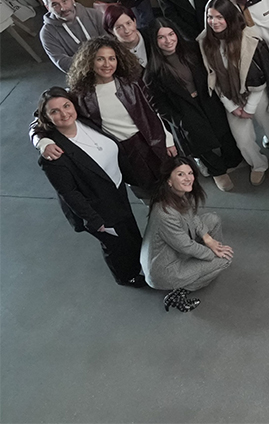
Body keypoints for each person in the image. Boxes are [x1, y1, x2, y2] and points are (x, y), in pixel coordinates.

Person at [38, 37, 177, 200]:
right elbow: (42, 115)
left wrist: (168, 139)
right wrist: (41, 140)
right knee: (147, 194)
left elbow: (153, 111)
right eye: (100, 59)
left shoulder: (132, 83)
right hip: (124, 151)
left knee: (173, 183)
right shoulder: (80, 94)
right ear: (90, 61)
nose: (107, 64)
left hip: (151, 141)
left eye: (112, 58)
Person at [35, 87, 146, 288]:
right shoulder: (54, 155)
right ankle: (126, 275)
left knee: (128, 228)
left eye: (66, 106)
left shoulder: (84, 121)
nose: (64, 114)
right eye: (54, 111)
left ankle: (139, 256)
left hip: (115, 188)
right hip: (96, 206)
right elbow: (69, 193)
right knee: (115, 244)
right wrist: (95, 221)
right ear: (47, 118)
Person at [199, 0, 269, 185]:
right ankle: (257, 164)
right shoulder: (204, 42)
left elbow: (262, 77)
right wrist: (231, 106)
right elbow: (213, 79)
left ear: (230, 17)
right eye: (210, 17)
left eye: (219, 17)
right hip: (229, 96)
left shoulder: (250, 38)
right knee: (242, 139)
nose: (214, 22)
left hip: (257, 91)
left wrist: (249, 108)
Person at [145, 18, 242, 192]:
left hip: (207, 99)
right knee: (200, 143)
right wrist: (178, 119)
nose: (168, 40)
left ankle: (233, 160)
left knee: (223, 132)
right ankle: (217, 172)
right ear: (154, 40)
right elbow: (157, 103)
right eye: (161, 37)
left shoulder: (193, 49)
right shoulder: (152, 71)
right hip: (184, 109)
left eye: (171, 34)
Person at [141, 156, 233, 312]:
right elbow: (186, 246)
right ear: (169, 180)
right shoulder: (164, 213)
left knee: (213, 219)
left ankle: (207, 261)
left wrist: (208, 240)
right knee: (224, 260)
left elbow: (193, 217)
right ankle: (181, 291)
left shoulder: (178, 194)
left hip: (177, 248)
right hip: (165, 269)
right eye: (180, 174)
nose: (188, 178)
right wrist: (213, 254)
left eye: (190, 173)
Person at [39, 0, 104, 72]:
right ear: (48, 8)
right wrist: (94, 64)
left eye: (65, 1)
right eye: (55, 5)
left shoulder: (94, 15)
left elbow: (111, 41)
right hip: (83, 73)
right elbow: (62, 62)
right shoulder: (47, 33)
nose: (63, 8)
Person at [104, 4, 150, 68]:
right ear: (111, 31)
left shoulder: (152, 37)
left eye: (128, 23)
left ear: (134, 21)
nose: (126, 30)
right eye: (119, 27)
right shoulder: (112, 54)